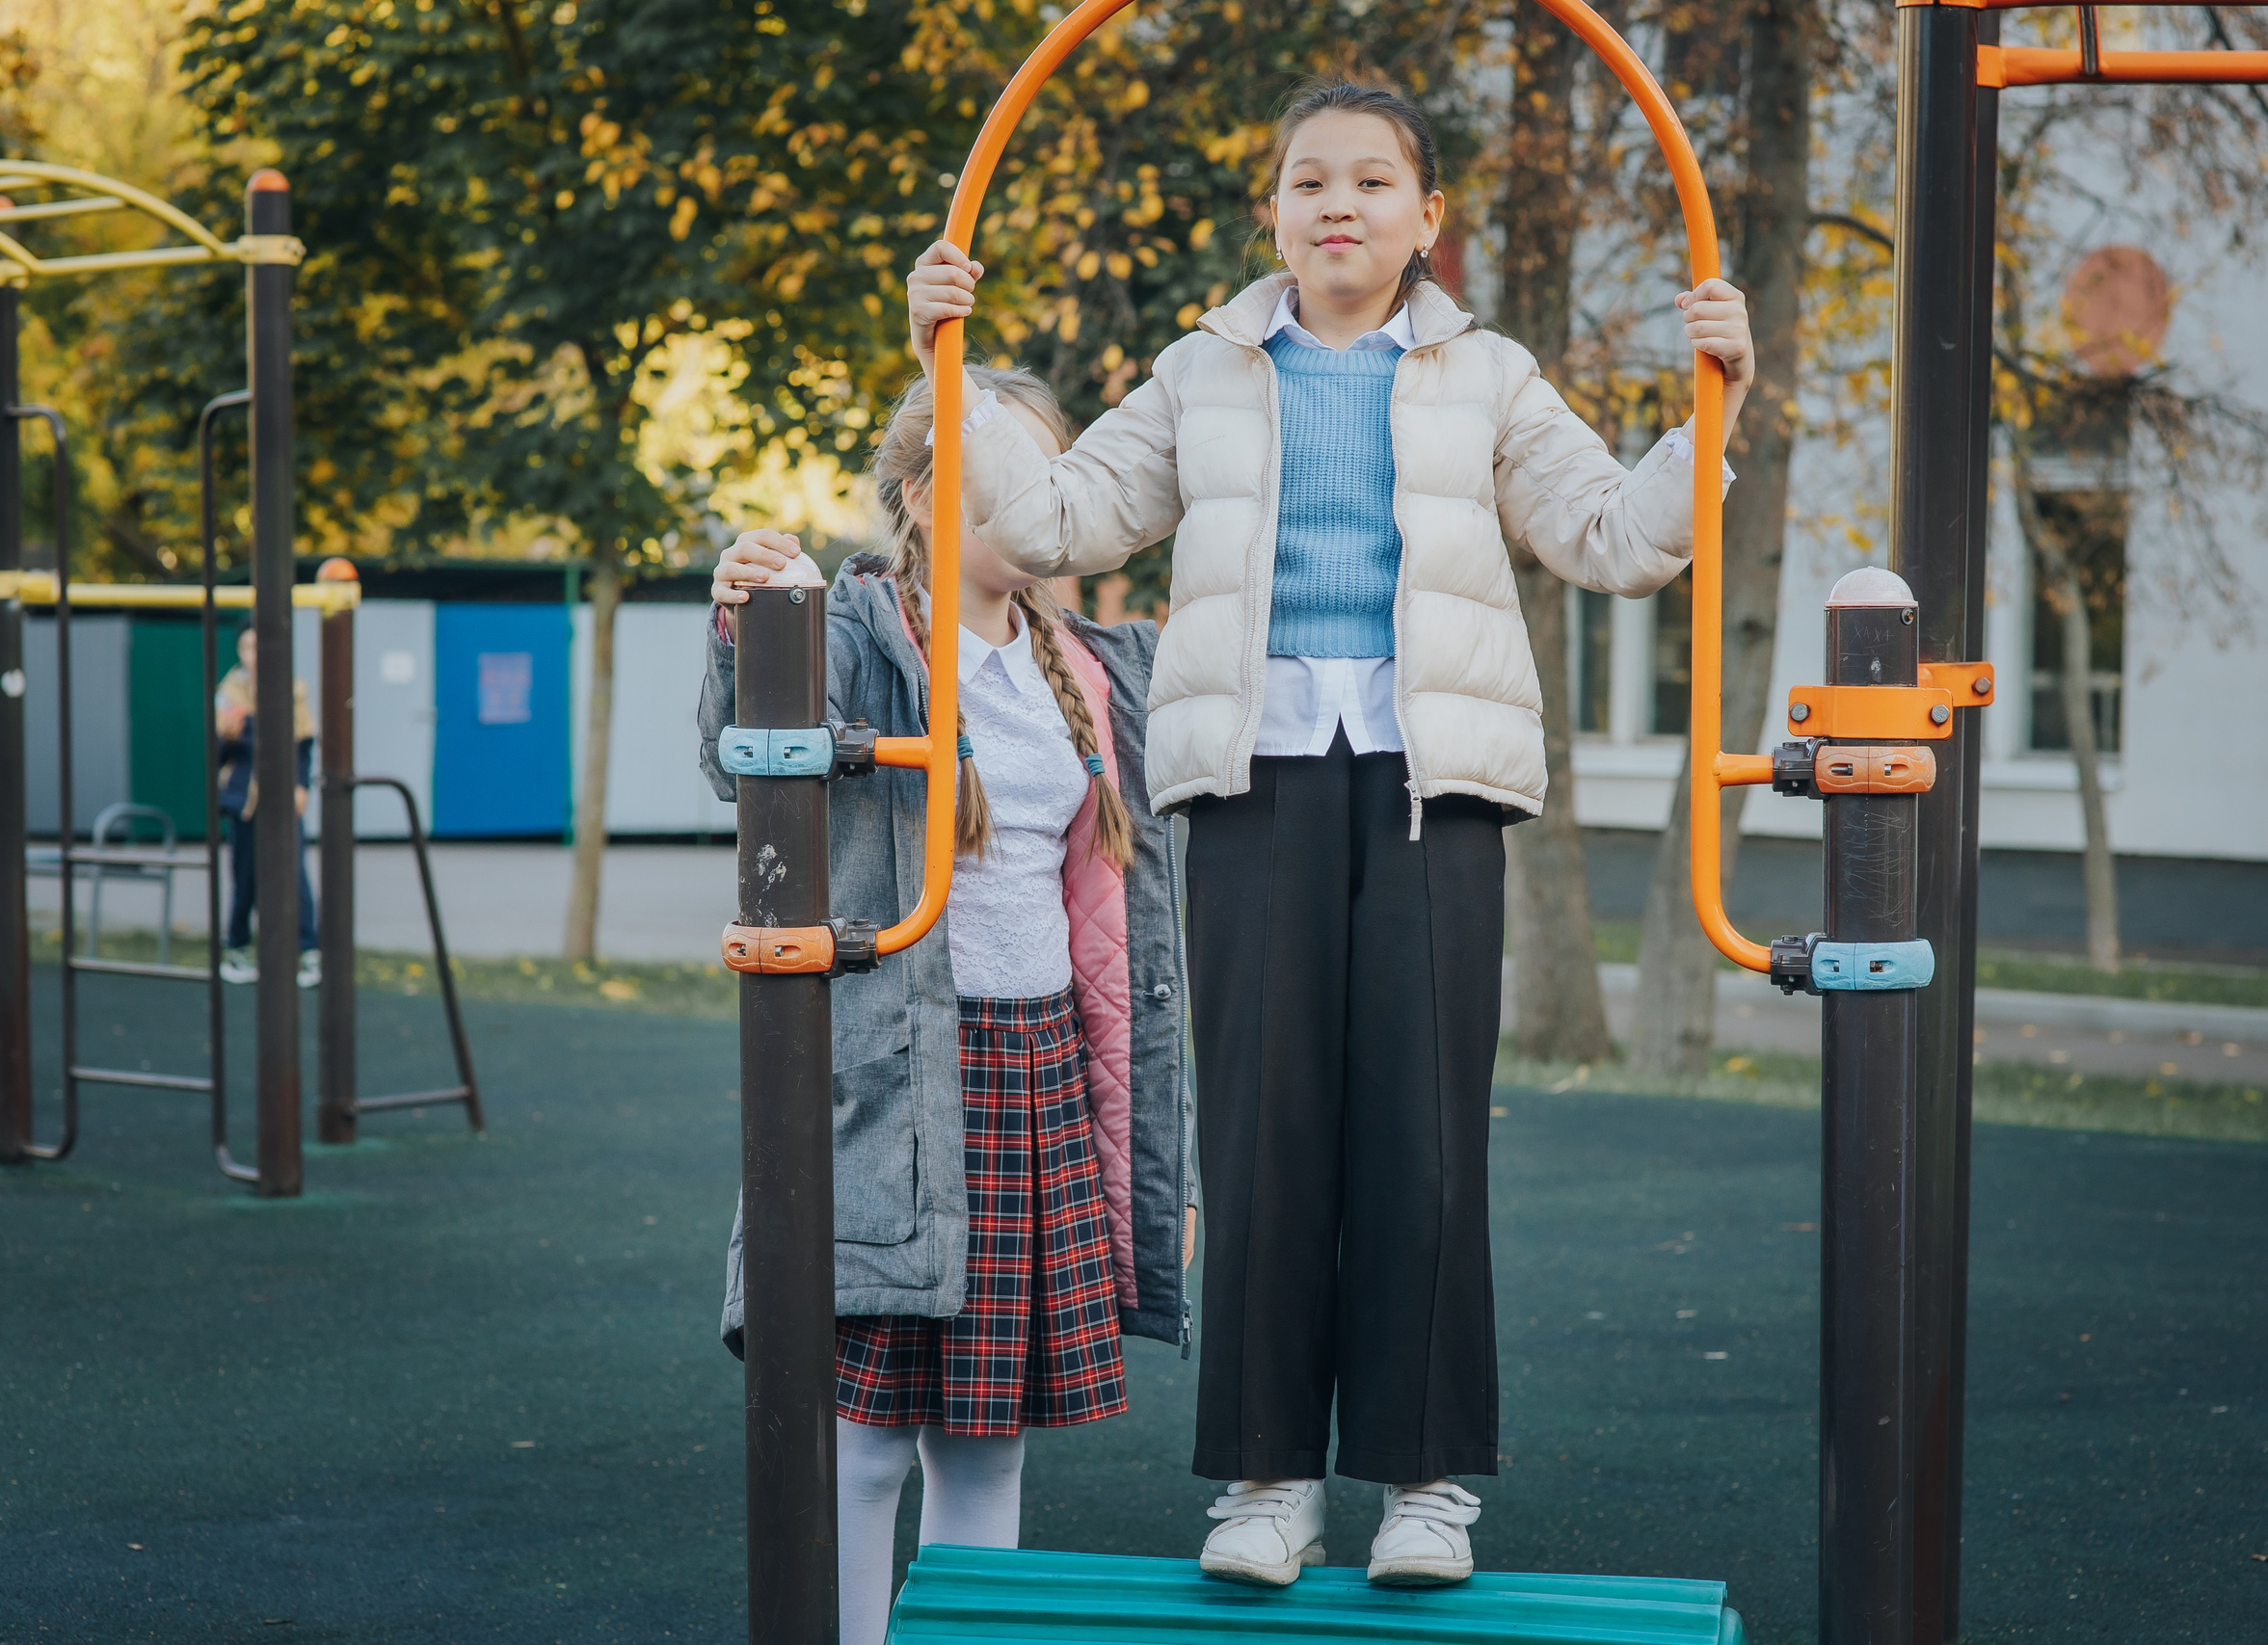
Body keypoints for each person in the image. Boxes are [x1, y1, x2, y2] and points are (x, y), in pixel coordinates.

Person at [903, 79, 1754, 1588]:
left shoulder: (1485, 374)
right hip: (1255, 778)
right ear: (1275, 217)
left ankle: (1425, 1486)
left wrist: (1715, 411)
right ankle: (1266, 1478)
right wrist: (951, 372)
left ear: (1429, 220)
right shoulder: (1202, 370)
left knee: (1421, 1142)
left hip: (1437, 786)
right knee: (1262, 1131)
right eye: (1308, 183)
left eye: (1372, 182)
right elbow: (1056, 524)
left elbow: (1619, 539)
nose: (1338, 204)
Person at [701, 366, 1195, 1645]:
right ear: (922, 493)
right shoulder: (858, 634)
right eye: (999, 476)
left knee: (985, 1442)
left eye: (1050, 480)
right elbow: (742, 752)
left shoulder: (1087, 665)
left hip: (1035, 1062)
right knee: (864, 1435)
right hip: (899, 1066)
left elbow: (1118, 902)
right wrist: (745, 621)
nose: (1032, 506)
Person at [213, 623, 321, 989]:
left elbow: (303, 745)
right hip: (245, 796)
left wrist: (301, 785)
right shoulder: (229, 693)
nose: (253, 654)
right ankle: (238, 947)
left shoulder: (292, 690)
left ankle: (308, 950)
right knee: (245, 875)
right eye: (246, 646)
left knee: (294, 873)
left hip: (283, 794)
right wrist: (228, 737)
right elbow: (220, 752)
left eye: (260, 646)